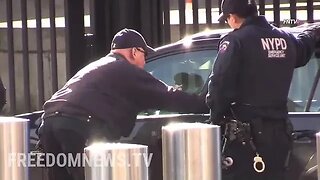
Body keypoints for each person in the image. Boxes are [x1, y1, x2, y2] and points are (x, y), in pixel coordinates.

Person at [39, 28, 208, 180]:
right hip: (78, 126)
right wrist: (204, 104)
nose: (145, 61)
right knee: (93, 176)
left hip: (49, 124)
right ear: (134, 52)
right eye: (145, 55)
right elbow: (166, 96)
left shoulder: (96, 66)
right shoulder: (125, 70)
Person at [206, 0, 320, 179]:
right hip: (280, 136)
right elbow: (304, 47)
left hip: (246, 141)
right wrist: (313, 31)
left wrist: (215, 121)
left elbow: (219, 87)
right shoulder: (285, 38)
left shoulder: (235, 41)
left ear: (233, 17)